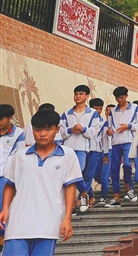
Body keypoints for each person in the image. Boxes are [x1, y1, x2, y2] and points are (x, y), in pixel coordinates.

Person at [0, 109, 81, 256]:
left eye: (48, 129)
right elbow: (10, 185)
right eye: (38, 130)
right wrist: (5, 209)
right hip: (17, 222)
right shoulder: (20, 156)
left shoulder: (67, 155)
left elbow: (70, 187)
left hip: (49, 223)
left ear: (57, 129)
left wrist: (67, 218)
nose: (42, 134)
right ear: (33, 130)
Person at [59, 84, 101, 214]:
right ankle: (81, 196)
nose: (78, 96)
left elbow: (94, 130)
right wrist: (71, 129)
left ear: (87, 96)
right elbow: (60, 131)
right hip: (67, 148)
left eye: (81, 94)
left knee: (78, 172)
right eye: (76, 94)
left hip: (82, 148)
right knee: (67, 175)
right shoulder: (66, 113)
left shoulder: (92, 113)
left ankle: (82, 195)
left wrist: (82, 129)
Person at [105, 86, 138, 208]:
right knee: (114, 169)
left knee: (127, 164)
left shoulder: (135, 108)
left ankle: (128, 187)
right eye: (117, 98)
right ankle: (116, 197)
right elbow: (109, 127)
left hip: (129, 141)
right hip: (116, 142)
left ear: (126, 96)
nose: (119, 100)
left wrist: (128, 126)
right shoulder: (112, 111)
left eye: (121, 97)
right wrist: (109, 132)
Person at [0, 105, 24, 253]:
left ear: (10, 118)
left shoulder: (18, 134)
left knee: (4, 211)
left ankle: (4, 243)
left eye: (1, 119)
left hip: (6, 178)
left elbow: (21, 156)